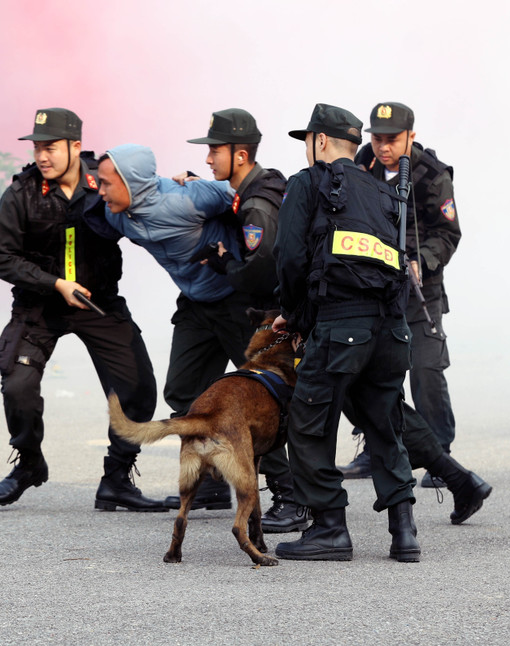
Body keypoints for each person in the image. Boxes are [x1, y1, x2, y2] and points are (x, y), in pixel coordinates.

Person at [0, 108, 166, 512]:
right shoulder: (22, 193)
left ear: (76, 146)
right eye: (37, 148)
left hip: (97, 302)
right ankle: (29, 462)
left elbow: (148, 201)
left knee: (138, 388)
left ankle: (117, 479)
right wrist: (54, 283)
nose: (42, 156)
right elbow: (1, 256)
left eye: (50, 147)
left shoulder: (100, 182)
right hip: (39, 305)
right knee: (18, 386)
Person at [272, 103, 420, 562]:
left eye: (306, 142)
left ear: (318, 141)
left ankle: (330, 528)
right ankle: (404, 532)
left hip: (340, 328)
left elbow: (291, 258)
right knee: (383, 422)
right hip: (391, 330)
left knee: (309, 424)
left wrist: (294, 318)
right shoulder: (381, 191)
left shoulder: (308, 182)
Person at [97, 143, 253, 511]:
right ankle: (214, 487)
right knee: (184, 393)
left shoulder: (187, 199)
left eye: (106, 183)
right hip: (196, 304)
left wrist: (250, 263)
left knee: (264, 395)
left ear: (131, 181)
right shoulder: (117, 214)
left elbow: (250, 195)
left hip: (237, 300)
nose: (101, 191)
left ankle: (289, 495)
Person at [182, 108, 307, 532]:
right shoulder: (248, 191)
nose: (208, 158)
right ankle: (217, 478)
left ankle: (289, 499)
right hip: (251, 311)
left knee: (261, 406)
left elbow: (262, 266)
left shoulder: (256, 203)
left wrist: (223, 264)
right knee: (188, 389)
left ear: (240, 155)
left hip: (262, 315)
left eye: (214, 150)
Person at [339, 102, 462, 489]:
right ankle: (375, 447)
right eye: (377, 138)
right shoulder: (363, 164)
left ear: (410, 135)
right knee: (372, 371)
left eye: (391, 140)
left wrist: (421, 262)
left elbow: (448, 233)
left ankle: (439, 456)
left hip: (419, 288)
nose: (383, 147)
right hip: (375, 285)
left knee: (425, 369)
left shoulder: (431, 175)